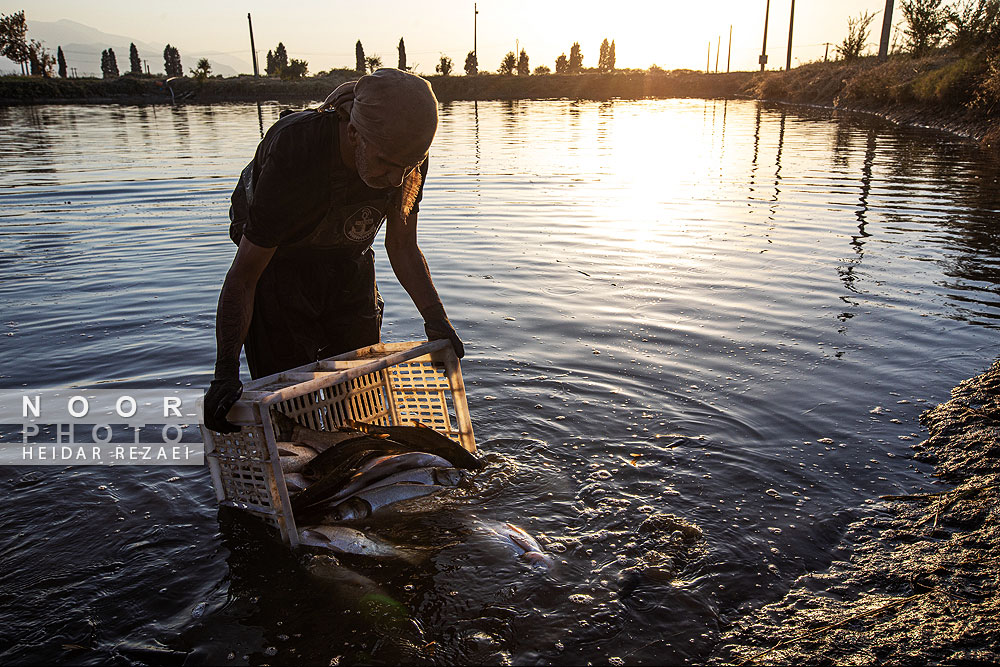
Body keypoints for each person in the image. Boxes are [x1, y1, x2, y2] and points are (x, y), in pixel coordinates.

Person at [204, 68, 463, 433]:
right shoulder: (297, 151)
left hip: (348, 262)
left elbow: (403, 245)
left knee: (360, 399)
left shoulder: (407, 154)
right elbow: (245, 274)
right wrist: (225, 371)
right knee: (293, 407)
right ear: (354, 133)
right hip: (278, 266)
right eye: (386, 165)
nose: (396, 180)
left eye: (407, 168)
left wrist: (437, 318)